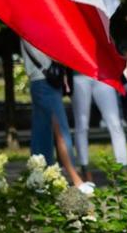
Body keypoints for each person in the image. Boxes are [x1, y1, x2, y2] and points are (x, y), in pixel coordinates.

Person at [20, 39, 87, 189]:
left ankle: (40, 179)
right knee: (60, 130)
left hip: (44, 79)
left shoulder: (34, 20)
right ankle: (75, 178)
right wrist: (51, 65)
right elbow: (34, 46)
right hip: (44, 79)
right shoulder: (31, 21)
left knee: (42, 132)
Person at [71, 72, 127, 180]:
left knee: (115, 123)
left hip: (102, 74)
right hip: (79, 75)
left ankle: (123, 167)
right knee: (82, 125)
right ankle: (84, 167)